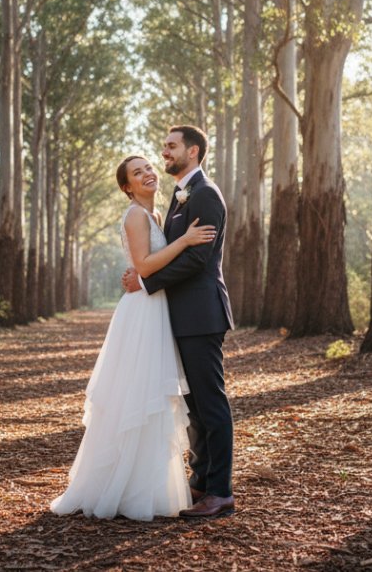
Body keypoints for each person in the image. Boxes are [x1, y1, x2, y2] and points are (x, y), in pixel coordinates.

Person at [50, 155, 217, 521]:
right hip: (141, 312)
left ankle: (150, 484)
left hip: (157, 308)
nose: (147, 174)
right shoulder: (136, 215)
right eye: (137, 173)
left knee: (153, 395)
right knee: (137, 394)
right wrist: (188, 240)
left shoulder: (156, 216)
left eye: (148, 168)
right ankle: (119, 485)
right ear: (127, 187)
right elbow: (143, 266)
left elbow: (152, 267)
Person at [123, 125, 236, 518]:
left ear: (193, 151)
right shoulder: (179, 195)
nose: (165, 152)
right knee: (195, 409)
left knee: (211, 404)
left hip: (202, 314)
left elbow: (196, 259)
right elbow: (170, 250)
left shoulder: (204, 194)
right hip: (180, 316)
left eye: (171, 147)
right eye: (164, 147)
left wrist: (146, 280)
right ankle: (200, 482)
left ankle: (220, 492)